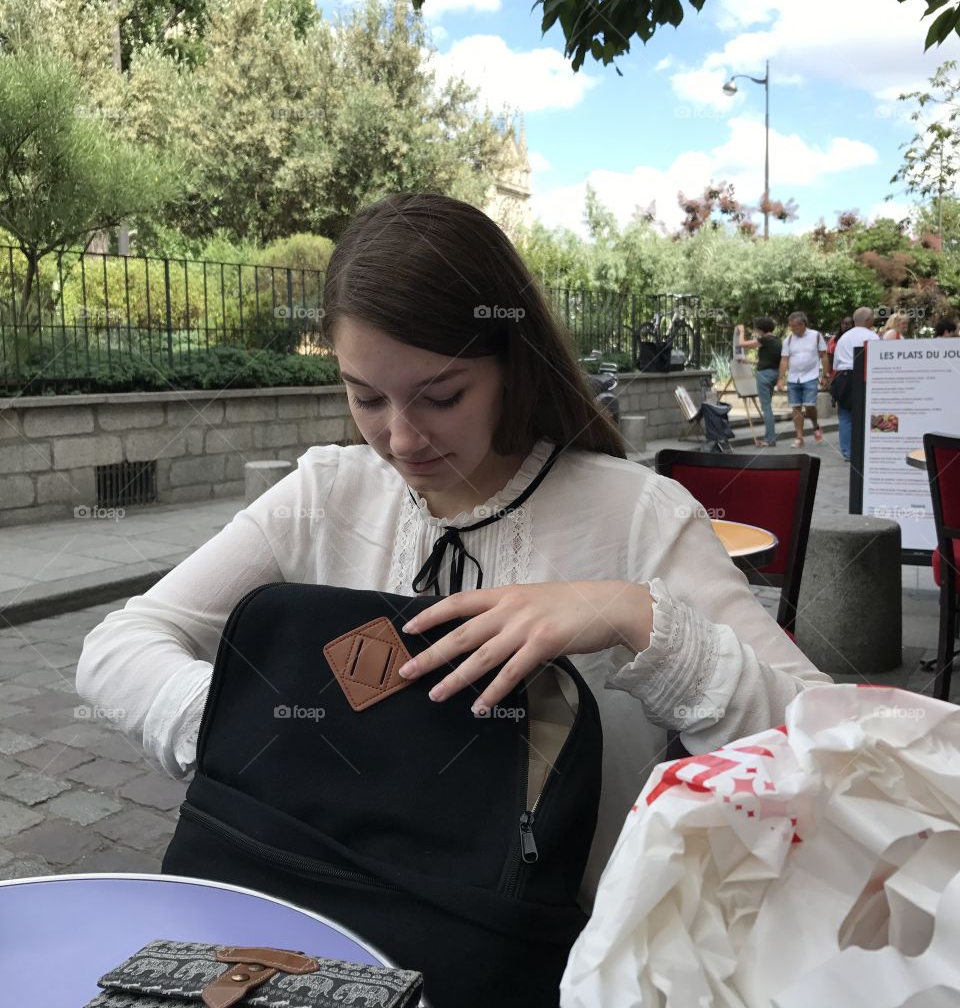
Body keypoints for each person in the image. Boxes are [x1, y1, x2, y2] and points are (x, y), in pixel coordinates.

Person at [75, 195, 829, 941]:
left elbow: (824, 753)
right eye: (365, 396)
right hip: (327, 944)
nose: (401, 439)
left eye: (441, 397)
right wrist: (278, 731)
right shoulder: (326, 492)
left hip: (558, 974)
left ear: (512, 363)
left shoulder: (640, 515)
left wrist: (632, 615)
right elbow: (119, 646)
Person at [831, 306, 879, 462]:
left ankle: (847, 452)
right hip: (863, 377)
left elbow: (836, 363)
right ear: (868, 320)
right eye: (872, 317)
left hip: (843, 377)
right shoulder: (872, 337)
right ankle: (866, 449)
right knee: (866, 414)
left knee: (845, 416)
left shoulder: (844, 338)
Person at [776, 311, 829, 447]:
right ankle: (799, 438)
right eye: (791, 326)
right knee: (796, 408)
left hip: (811, 376)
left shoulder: (816, 336)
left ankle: (815, 426)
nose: (792, 329)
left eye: (794, 326)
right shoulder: (788, 339)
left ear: (803, 324)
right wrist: (781, 378)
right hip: (794, 378)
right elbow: (784, 359)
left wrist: (825, 375)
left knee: (810, 405)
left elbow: (823, 356)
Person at [736, 316, 781, 446]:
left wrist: (742, 331)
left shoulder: (765, 339)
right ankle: (770, 437)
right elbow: (767, 361)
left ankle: (770, 439)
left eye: (756, 329)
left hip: (764, 376)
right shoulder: (777, 340)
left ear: (761, 329)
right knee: (768, 406)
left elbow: (741, 344)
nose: (756, 331)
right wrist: (748, 361)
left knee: (766, 408)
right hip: (774, 374)